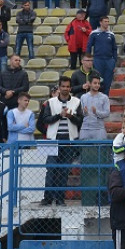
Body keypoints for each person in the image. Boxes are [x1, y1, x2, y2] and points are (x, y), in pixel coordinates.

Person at [37, 76, 82, 206]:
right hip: (52, 139)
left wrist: (70, 116)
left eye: (68, 87)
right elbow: (45, 120)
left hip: (69, 140)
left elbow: (80, 121)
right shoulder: (50, 102)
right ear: (59, 87)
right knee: (50, 169)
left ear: (70, 88)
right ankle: (48, 198)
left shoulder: (76, 102)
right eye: (63, 86)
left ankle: (60, 199)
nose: (65, 89)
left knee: (64, 171)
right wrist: (59, 116)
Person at [88, 16, 118, 94]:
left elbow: (114, 49)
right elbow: (89, 47)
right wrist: (89, 60)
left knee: (107, 83)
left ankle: (106, 102)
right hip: (98, 59)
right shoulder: (94, 33)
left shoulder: (111, 34)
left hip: (109, 60)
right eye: (105, 21)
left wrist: (114, 62)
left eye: (108, 21)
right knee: (98, 81)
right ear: (100, 22)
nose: (107, 23)